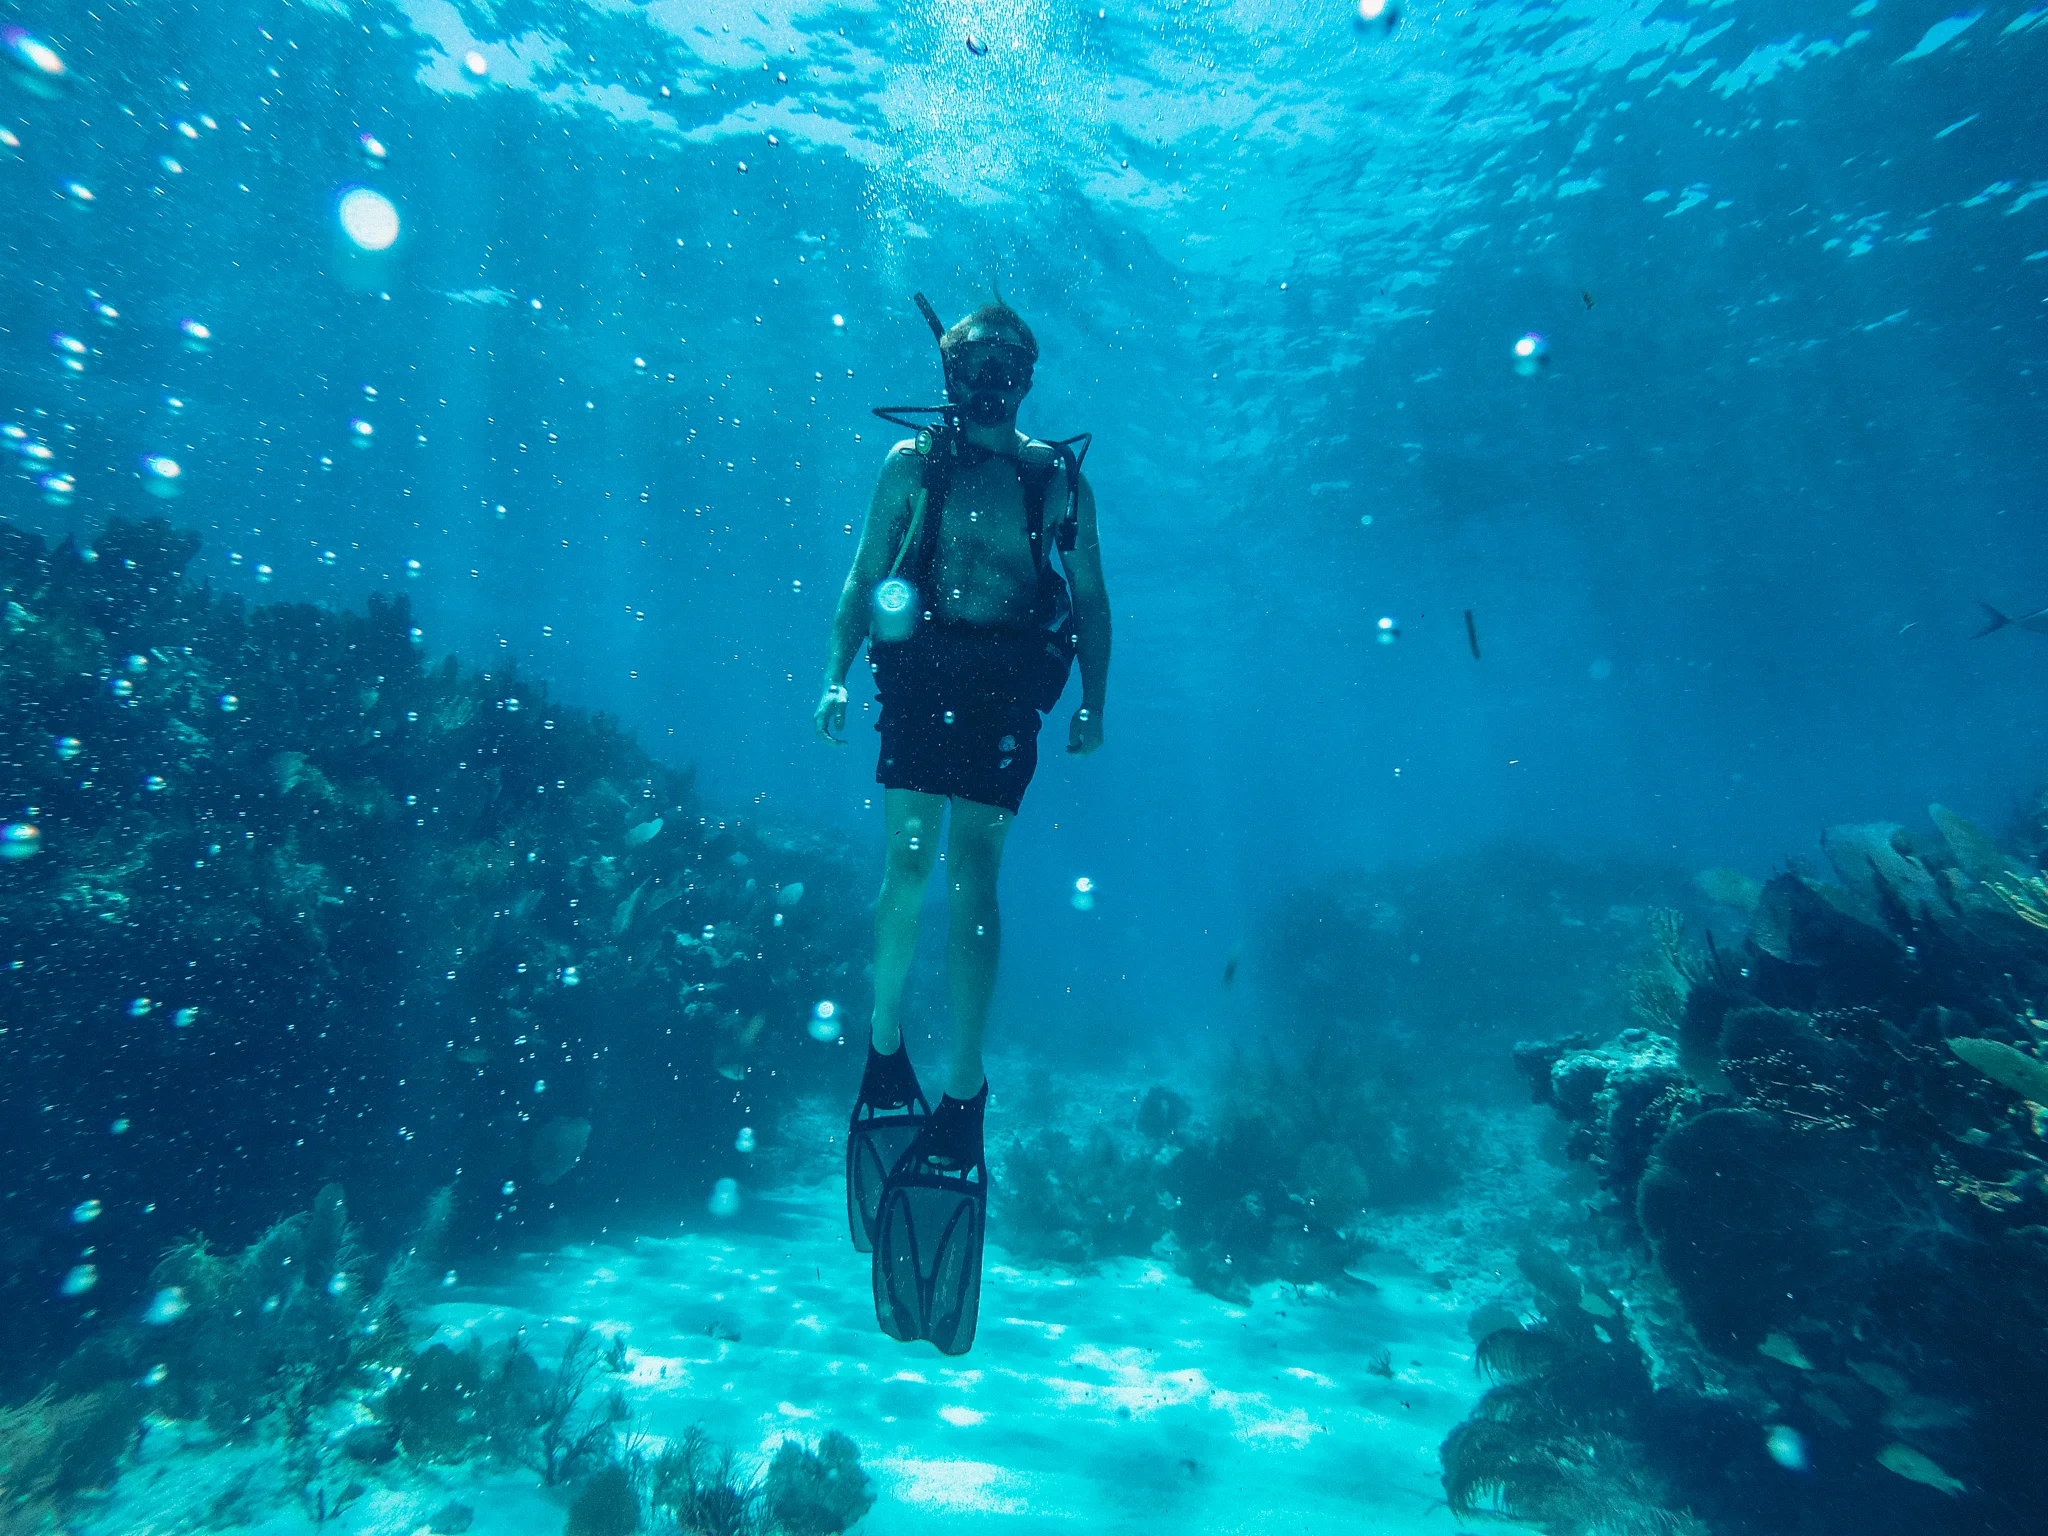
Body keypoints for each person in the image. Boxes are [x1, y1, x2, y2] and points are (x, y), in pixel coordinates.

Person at [815, 296, 1109, 1352]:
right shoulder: (909, 470)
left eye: (1008, 364)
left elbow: (1092, 598)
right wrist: (833, 678)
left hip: (997, 694)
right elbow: (861, 576)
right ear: (948, 368)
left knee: (972, 879)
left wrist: (1094, 701)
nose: (990, 380)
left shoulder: (1055, 482)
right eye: (973, 361)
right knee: (905, 870)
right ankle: (885, 1044)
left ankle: (962, 1085)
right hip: (919, 673)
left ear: (1028, 377)